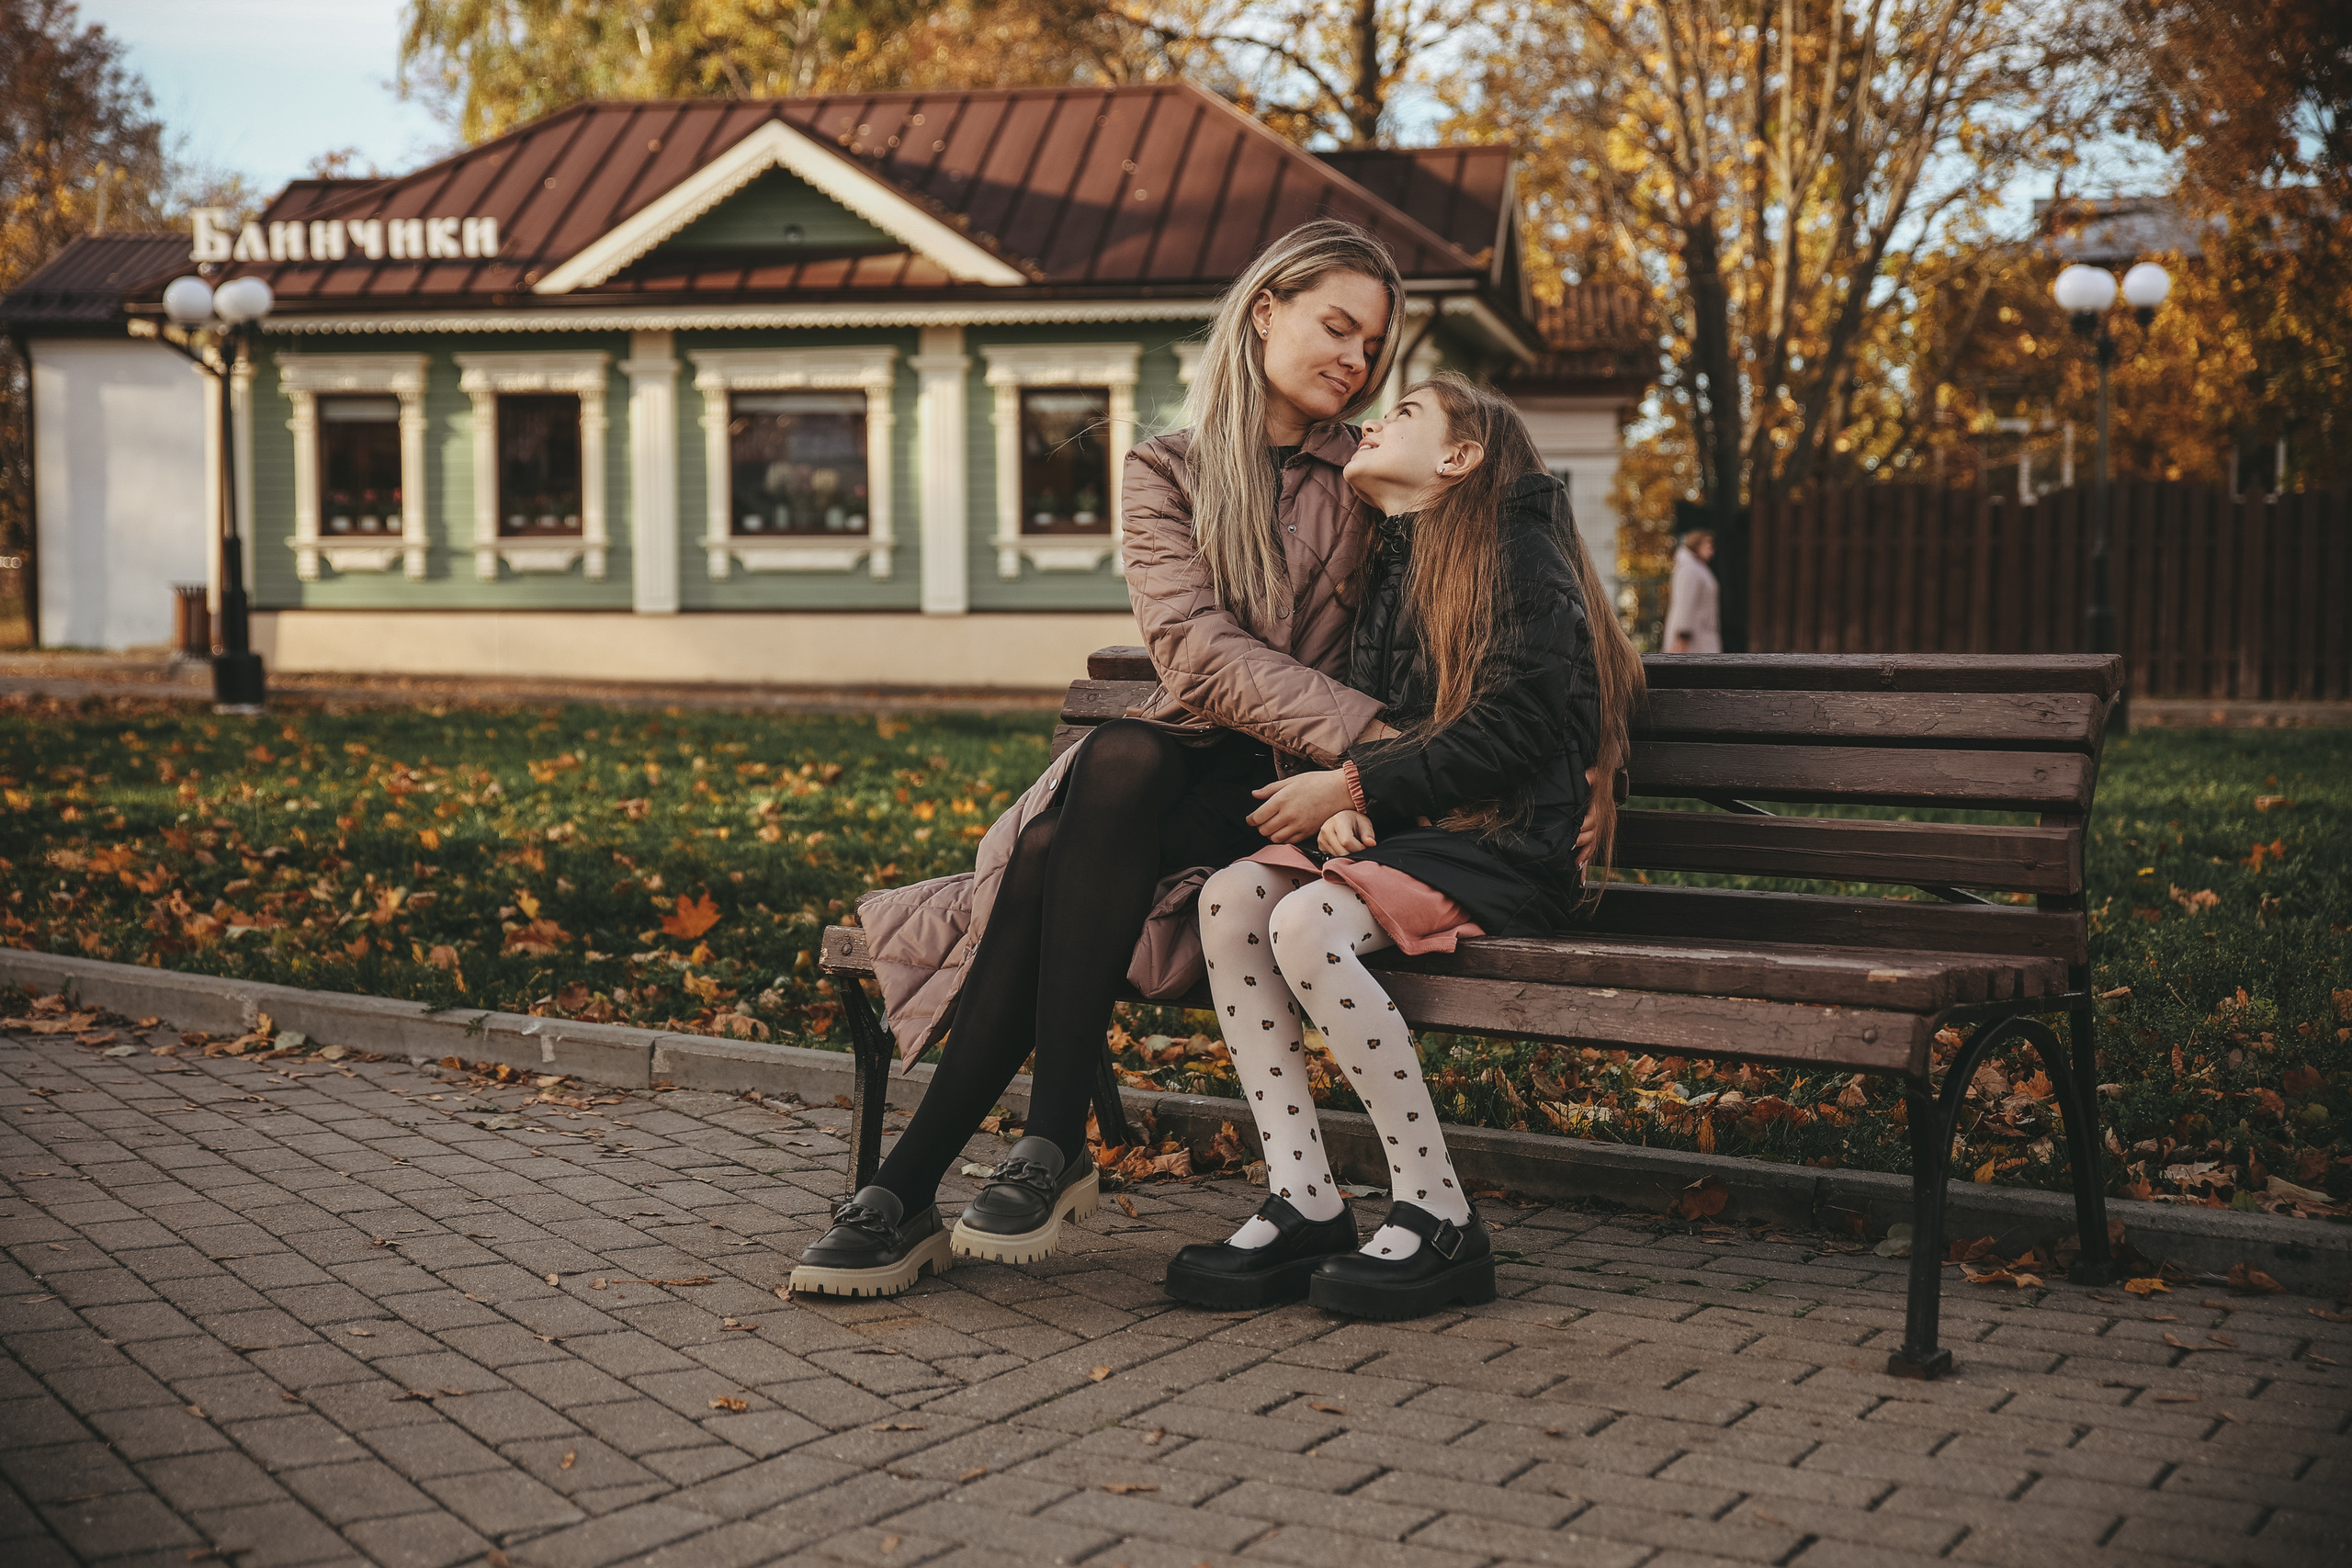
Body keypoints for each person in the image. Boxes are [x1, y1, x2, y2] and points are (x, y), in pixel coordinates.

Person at [788, 220, 1408, 1297]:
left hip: (1303, 790)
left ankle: (924, 1180)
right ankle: (1034, 1145)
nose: (1355, 360)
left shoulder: (1371, 473)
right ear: (1265, 312)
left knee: (1052, 842)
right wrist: (1365, 728)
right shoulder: (1165, 468)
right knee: (1114, 767)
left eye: (1373, 346)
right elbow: (1191, 652)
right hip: (1202, 762)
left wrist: (1369, 759)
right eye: (1337, 328)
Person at [1163, 374, 1645, 1320]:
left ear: (1458, 458)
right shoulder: (1396, 553)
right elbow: (1387, 723)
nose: (1375, 422)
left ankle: (1438, 1212)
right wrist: (1349, 801)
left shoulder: (1516, 549)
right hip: (1423, 833)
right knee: (1230, 899)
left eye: (1406, 413)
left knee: (1306, 922)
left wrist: (1353, 787)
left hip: (1508, 844)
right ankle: (1304, 1200)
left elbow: (1514, 725)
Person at [1661, 527, 1721, 652]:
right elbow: (1686, 602)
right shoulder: (1690, 569)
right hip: (1693, 636)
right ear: (1696, 544)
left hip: (1701, 631)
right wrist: (1683, 635)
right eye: (1707, 543)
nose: (1711, 547)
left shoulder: (1699, 568)